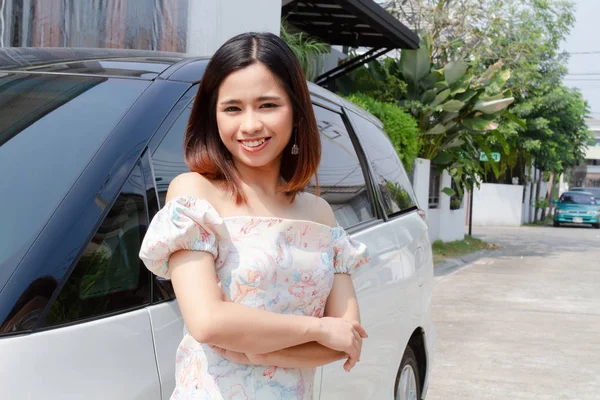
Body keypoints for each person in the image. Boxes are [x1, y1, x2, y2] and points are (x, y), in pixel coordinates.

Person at [139, 31, 370, 400]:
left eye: (267, 105)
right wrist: (318, 329)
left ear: (295, 111)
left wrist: (258, 349)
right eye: (232, 108)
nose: (249, 126)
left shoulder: (320, 214)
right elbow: (208, 321)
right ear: (212, 117)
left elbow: (346, 338)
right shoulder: (194, 195)